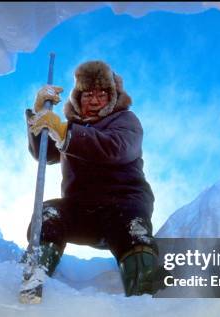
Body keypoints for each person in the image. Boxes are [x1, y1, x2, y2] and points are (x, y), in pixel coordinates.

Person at [23, 60, 159, 297]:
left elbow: (115, 148)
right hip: (82, 211)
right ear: (78, 98)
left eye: (102, 94)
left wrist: (64, 132)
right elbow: (45, 154)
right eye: (87, 94)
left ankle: (146, 294)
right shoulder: (72, 127)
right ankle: (33, 274)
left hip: (124, 205)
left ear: (112, 97)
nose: (94, 101)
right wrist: (39, 117)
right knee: (49, 214)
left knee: (133, 231)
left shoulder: (125, 121)